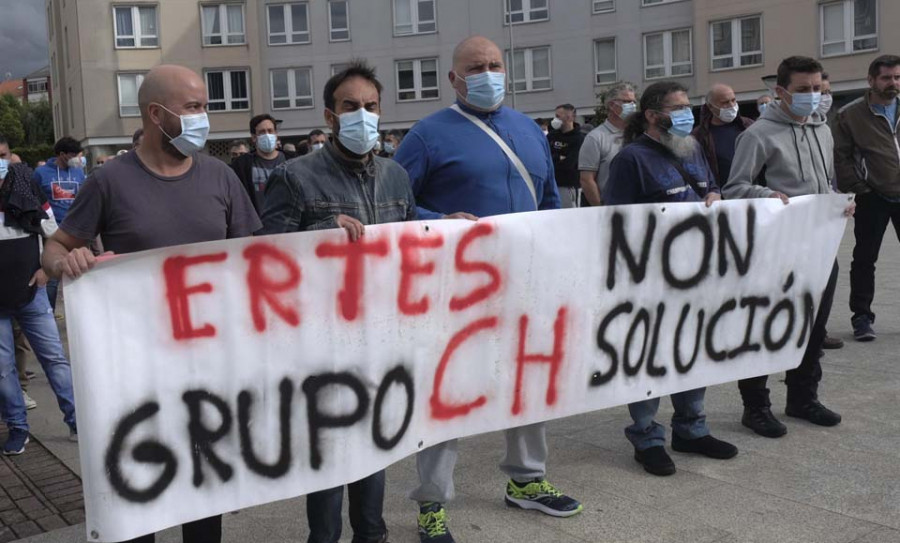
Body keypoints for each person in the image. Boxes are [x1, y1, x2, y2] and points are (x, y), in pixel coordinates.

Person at [42, 64, 260, 543]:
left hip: (207, 372)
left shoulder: (221, 177)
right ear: (156, 114)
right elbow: (53, 249)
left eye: (206, 105)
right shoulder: (108, 181)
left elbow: (255, 260)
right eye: (195, 108)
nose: (206, 117)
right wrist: (68, 259)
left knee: (204, 494)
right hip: (134, 375)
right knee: (140, 495)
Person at [394, 35, 581, 543]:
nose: (487, 72)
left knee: (529, 379)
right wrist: (442, 220)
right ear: (453, 78)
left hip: (525, 283)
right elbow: (395, 203)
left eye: (495, 64)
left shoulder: (528, 129)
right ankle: (432, 499)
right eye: (475, 66)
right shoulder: (427, 135)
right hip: (455, 289)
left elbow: (548, 203)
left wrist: (559, 253)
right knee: (447, 390)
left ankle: (527, 478)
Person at [260, 60, 404, 543]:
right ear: (330, 115)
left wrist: (444, 226)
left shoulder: (397, 176)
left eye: (370, 106)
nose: (362, 114)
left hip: (380, 334)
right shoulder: (295, 177)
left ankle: (372, 534)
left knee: (373, 443)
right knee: (328, 450)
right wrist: (321, 234)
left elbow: (407, 237)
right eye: (350, 106)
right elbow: (267, 253)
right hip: (319, 340)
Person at [603, 81, 738, 476]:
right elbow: (616, 223)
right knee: (650, 356)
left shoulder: (692, 148)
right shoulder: (630, 160)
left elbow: (710, 188)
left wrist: (714, 198)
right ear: (651, 115)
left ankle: (692, 429)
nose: (686, 114)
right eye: (676, 108)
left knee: (693, 350)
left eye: (687, 106)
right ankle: (647, 436)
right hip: (651, 281)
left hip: (697, 273)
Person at [724, 56, 855, 434]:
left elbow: (824, 182)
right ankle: (756, 406)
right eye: (803, 90)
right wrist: (767, 193)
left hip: (820, 245)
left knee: (815, 326)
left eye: (818, 89)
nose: (812, 97)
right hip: (777, 250)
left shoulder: (823, 130)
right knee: (766, 326)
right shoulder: (757, 135)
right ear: (780, 92)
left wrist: (839, 200)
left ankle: (802, 398)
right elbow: (735, 188)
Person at [0, 148, 78, 455]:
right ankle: (18, 428)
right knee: (3, 370)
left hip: (30, 296)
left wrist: (46, 270)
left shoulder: (27, 198)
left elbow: (55, 238)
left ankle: (76, 421)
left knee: (54, 360)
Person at [834, 54, 900, 342]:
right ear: (871, 80)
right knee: (864, 258)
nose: (893, 83)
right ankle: (862, 317)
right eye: (886, 77)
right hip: (873, 196)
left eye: (897, 77)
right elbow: (841, 157)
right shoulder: (850, 114)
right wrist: (861, 189)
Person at [32, 137, 87, 312]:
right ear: (62, 154)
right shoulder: (41, 173)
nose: (77, 158)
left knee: (80, 273)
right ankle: (49, 313)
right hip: (52, 234)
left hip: (76, 232)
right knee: (52, 277)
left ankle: (81, 313)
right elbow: (34, 200)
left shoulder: (78, 172)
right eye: (73, 154)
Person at [579, 82, 636, 206]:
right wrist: (602, 210)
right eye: (626, 102)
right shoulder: (595, 137)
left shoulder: (638, 134)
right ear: (612, 105)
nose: (632, 106)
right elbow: (587, 180)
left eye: (633, 102)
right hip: (611, 209)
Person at [692, 84, 754, 188]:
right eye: (725, 102)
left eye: (733, 100)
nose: (731, 105)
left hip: (752, 193)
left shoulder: (749, 126)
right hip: (720, 197)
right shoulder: (699, 135)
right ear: (710, 107)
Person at [231, 114, 288, 214]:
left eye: (270, 131)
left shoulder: (291, 160)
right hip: (258, 225)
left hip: (288, 225)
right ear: (254, 137)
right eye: (262, 132)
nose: (267, 135)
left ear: (276, 134)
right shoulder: (242, 165)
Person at [548, 103, 585, 208]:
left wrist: (554, 159)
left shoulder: (579, 138)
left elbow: (569, 164)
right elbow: (544, 157)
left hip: (569, 185)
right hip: (552, 184)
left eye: (558, 116)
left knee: (570, 215)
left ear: (569, 117)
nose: (555, 119)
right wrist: (558, 158)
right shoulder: (552, 136)